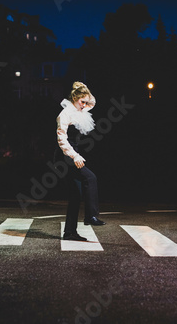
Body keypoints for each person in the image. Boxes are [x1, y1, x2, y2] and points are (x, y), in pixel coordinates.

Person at [56, 82, 106, 241]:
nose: (85, 105)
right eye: (81, 101)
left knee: (76, 195)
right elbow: (61, 139)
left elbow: (93, 102)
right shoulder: (65, 114)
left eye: (85, 102)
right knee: (90, 177)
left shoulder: (80, 109)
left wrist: (83, 88)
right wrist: (74, 156)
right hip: (67, 155)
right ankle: (90, 216)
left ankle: (69, 232)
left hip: (74, 154)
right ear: (74, 98)